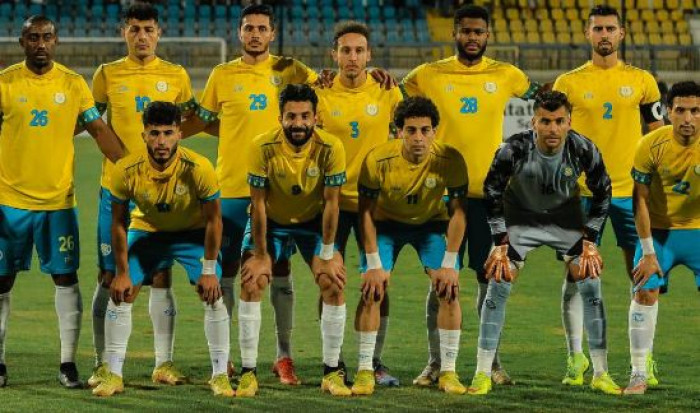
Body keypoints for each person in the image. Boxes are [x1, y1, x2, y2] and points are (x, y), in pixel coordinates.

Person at [401, 4, 541, 386]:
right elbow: (392, 96)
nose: (472, 37)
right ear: (455, 33)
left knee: (490, 282)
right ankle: (435, 363)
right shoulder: (428, 74)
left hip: (488, 198)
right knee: (440, 282)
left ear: (488, 35)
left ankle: (490, 363)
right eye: (466, 31)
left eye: (479, 32)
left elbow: (543, 98)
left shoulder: (506, 74)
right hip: (442, 198)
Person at [181, 4, 318, 384]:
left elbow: (327, 89)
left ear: (272, 33)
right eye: (249, 28)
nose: (255, 34)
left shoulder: (290, 70)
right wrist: (165, 136)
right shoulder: (222, 75)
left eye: (262, 28)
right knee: (226, 271)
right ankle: (224, 357)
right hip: (231, 188)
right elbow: (203, 121)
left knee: (279, 269)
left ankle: (283, 356)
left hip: (278, 193)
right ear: (239, 32)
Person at [468, 91, 620, 396]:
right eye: (546, 121)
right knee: (499, 280)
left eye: (559, 121)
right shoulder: (513, 149)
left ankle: (601, 373)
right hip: (520, 221)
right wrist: (500, 241)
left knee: (590, 279)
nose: (553, 128)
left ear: (569, 122)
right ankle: (481, 373)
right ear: (533, 122)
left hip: (564, 221)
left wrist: (590, 239)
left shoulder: (582, 148)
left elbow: (603, 190)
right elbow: (492, 190)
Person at [0, 15, 123, 388]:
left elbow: (98, 129)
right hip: (9, 201)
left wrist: (132, 170)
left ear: (56, 41)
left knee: (66, 278)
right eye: (33, 37)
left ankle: (67, 363)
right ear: (22, 42)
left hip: (58, 202)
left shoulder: (73, 84)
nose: (41, 44)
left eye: (47, 37)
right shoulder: (5, 83)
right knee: (1, 281)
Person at [552, 4, 664, 387]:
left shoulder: (643, 81)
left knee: (643, 273)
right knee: (577, 274)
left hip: (632, 194)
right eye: (598, 28)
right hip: (583, 194)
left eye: (610, 28)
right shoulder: (567, 83)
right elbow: (554, 136)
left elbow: (657, 134)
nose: (604, 34)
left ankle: (643, 361)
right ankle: (575, 357)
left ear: (622, 33)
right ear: (587, 34)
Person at [88, 1, 197, 388]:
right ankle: (103, 363)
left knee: (161, 273)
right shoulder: (107, 74)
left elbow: (188, 121)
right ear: (124, 32)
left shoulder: (176, 75)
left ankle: (163, 362)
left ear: (158, 33)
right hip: (116, 189)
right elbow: (92, 121)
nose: (141, 36)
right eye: (134, 28)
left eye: (148, 29)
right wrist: (123, 163)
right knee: (110, 274)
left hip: (162, 191)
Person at [92, 102, 232, 398]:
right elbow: (118, 223)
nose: (161, 141)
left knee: (213, 293)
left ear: (179, 133)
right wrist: (122, 272)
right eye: (154, 133)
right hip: (148, 231)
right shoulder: (126, 169)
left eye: (168, 133)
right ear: (143, 135)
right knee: (122, 291)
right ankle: (113, 374)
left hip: (191, 234)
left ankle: (220, 375)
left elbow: (214, 220)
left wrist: (209, 270)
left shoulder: (199, 168)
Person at [235, 84, 349, 398]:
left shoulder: (331, 147)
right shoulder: (262, 146)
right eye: (291, 116)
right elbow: (258, 204)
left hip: (313, 222)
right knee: (252, 281)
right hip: (271, 221)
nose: (298, 123)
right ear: (280, 118)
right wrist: (260, 254)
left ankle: (331, 372)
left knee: (333, 281)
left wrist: (328, 252)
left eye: (304, 116)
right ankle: (248, 373)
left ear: (316, 117)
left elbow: (332, 203)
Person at [352, 97, 468, 396]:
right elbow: (365, 214)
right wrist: (374, 264)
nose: (418, 138)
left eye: (425, 130)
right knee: (373, 289)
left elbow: (458, 213)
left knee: (449, 288)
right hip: (385, 226)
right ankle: (365, 370)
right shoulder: (377, 160)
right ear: (398, 131)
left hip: (430, 226)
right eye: (411, 130)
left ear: (434, 132)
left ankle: (448, 372)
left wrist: (449, 264)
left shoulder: (451, 159)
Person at [315, 20, 403, 387]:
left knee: (379, 283)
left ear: (369, 55)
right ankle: (332, 361)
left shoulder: (387, 92)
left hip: (375, 205)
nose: (352, 57)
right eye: (345, 50)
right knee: (329, 281)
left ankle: (374, 361)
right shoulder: (318, 93)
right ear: (333, 55)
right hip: (331, 203)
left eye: (359, 50)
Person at [624, 81, 700, 395]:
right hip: (659, 234)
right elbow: (638, 200)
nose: (687, 118)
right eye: (680, 110)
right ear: (667, 112)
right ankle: (638, 374)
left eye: (695, 111)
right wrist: (647, 252)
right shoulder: (650, 145)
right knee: (644, 292)